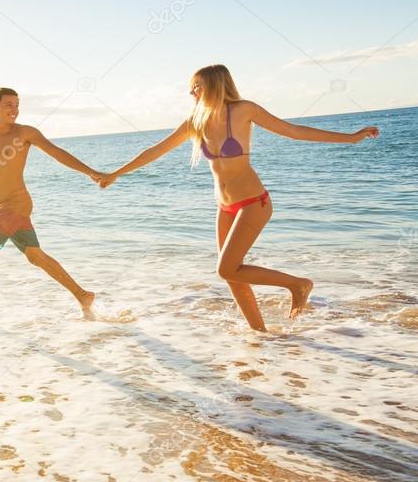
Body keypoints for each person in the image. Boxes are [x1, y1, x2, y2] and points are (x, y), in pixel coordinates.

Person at [96, 64, 379, 331]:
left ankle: (298, 285)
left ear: (214, 85)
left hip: (254, 202)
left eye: (196, 86)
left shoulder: (244, 110)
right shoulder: (196, 120)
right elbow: (155, 151)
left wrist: (350, 138)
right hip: (225, 206)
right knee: (232, 275)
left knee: (226, 268)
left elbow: (294, 131)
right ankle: (260, 334)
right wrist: (116, 173)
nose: (191, 92)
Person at [0, 87, 101, 326]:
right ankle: (82, 295)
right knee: (35, 256)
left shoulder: (25, 133)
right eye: (8, 105)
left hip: (16, 205)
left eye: (17, 105)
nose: (14, 110)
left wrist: (92, 172)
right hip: (2, 206)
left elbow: (57, 153)